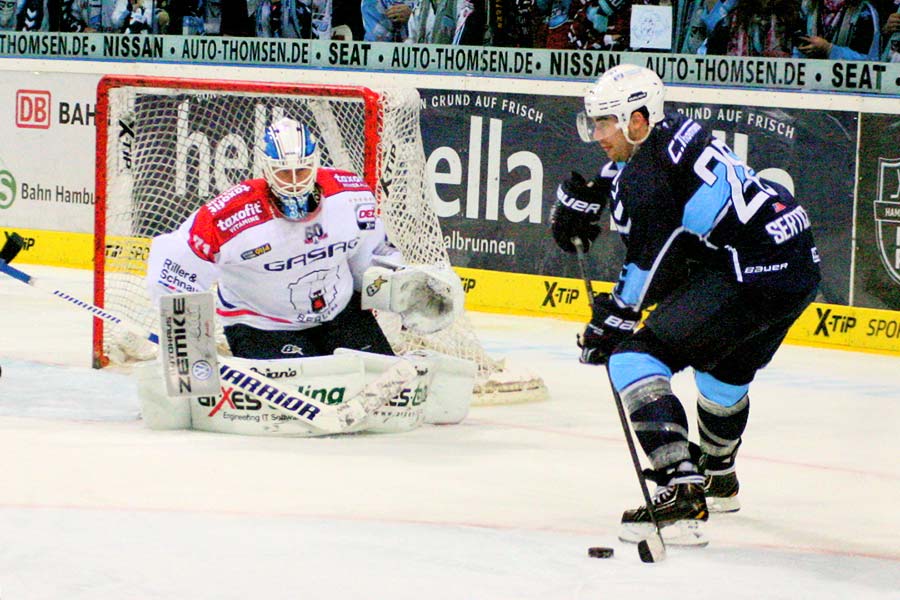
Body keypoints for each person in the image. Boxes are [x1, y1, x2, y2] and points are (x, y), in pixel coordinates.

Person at [550, 65, 820, 546]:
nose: (597, 135)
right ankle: (719, 475)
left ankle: (682, 490)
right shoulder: (672, 129)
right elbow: (654, 177)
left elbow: (649, 268)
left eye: (605, 123)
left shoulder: (646, 176)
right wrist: (598, 191)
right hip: (796, 263)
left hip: (748, 272)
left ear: (637, 120)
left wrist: (611, 323)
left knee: (632, 357)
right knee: (722, 377)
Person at [145, 117, 464, 362]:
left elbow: (369, 260)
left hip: (340, 313)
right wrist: (182, 342)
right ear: (267, 170)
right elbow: (174, 265)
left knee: (386, 387)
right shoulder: (230, 216)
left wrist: (400, 292)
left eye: (302, 170)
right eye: (285, 173)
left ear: (315, 162)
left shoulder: (350, 196)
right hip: (262, 324)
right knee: (305, 395)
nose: (295, 183)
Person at [794, 0, 881, 60]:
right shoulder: (808, 7)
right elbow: (797, 52)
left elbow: (870, 61)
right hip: (810, 80)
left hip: (846, 83)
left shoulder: (865, 13)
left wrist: (829, 49)